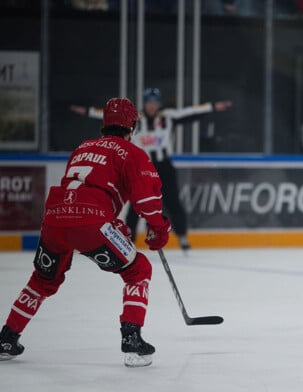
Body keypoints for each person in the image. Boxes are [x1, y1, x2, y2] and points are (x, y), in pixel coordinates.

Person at [0, 98, 171, 367]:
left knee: (43, 280)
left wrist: (114, 224)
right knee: (138, 270)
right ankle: (132, 339)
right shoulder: (131, 152)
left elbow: (83, 189)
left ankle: (7, 337)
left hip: (55, 218)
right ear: (132, 126)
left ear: (105, 124)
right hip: (92, 222)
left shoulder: (83, 147)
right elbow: (147, 199)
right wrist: (159, 227)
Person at [70, 88, 233, 251]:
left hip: (164, 165)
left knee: (173, 201)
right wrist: (87, 111)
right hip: (141, 166)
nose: (152, 106)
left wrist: (213, 107)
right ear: (145, 103)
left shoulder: (167, 116)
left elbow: (191, 112)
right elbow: (107, 115)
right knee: (136, 202)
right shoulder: (135, 118)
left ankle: (182, 235)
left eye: (155, 102)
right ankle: (130, 239)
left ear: (159, 104)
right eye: (149, 102)